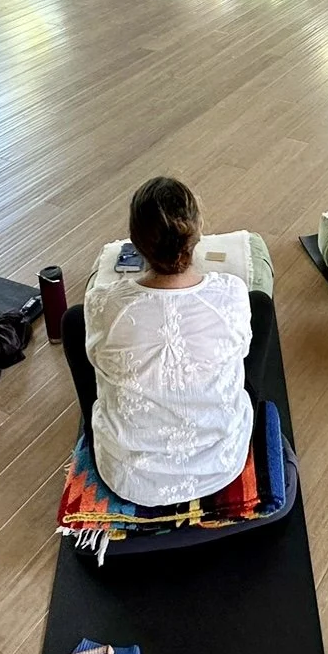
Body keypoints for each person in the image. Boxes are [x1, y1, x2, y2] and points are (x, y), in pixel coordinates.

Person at [62, 177, 275, 506]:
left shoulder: (103, 303)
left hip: (127, 477)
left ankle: (105, 425)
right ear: (197, 231)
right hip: (221, 464)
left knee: (74, 320)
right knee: (260, 304)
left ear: (135, 240)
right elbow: (243, 349)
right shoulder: (231, 292)